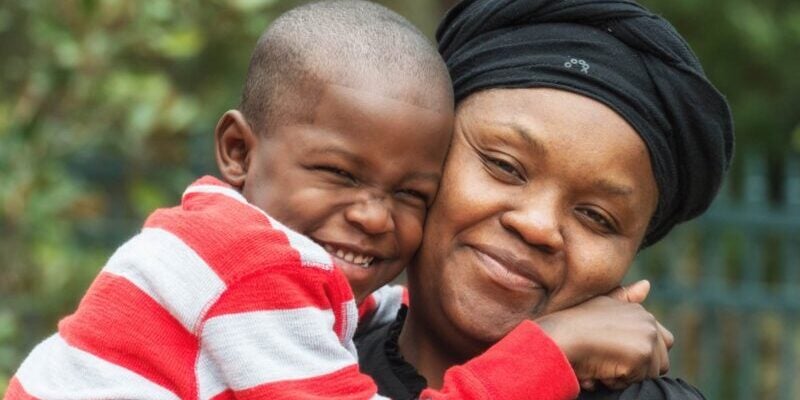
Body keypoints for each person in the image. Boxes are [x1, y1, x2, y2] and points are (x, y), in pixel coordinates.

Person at [5, 1, 657, 399]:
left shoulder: (215, 239)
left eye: (408, 193)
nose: (374, 214)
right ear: (238, 150)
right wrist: (552, 349)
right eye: (340, 175)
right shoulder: (248, 269)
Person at [355, 0, 734, 399]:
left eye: (595, 216)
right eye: (505, 166)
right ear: (429, 154)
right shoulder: (302, 353)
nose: (537, 225)